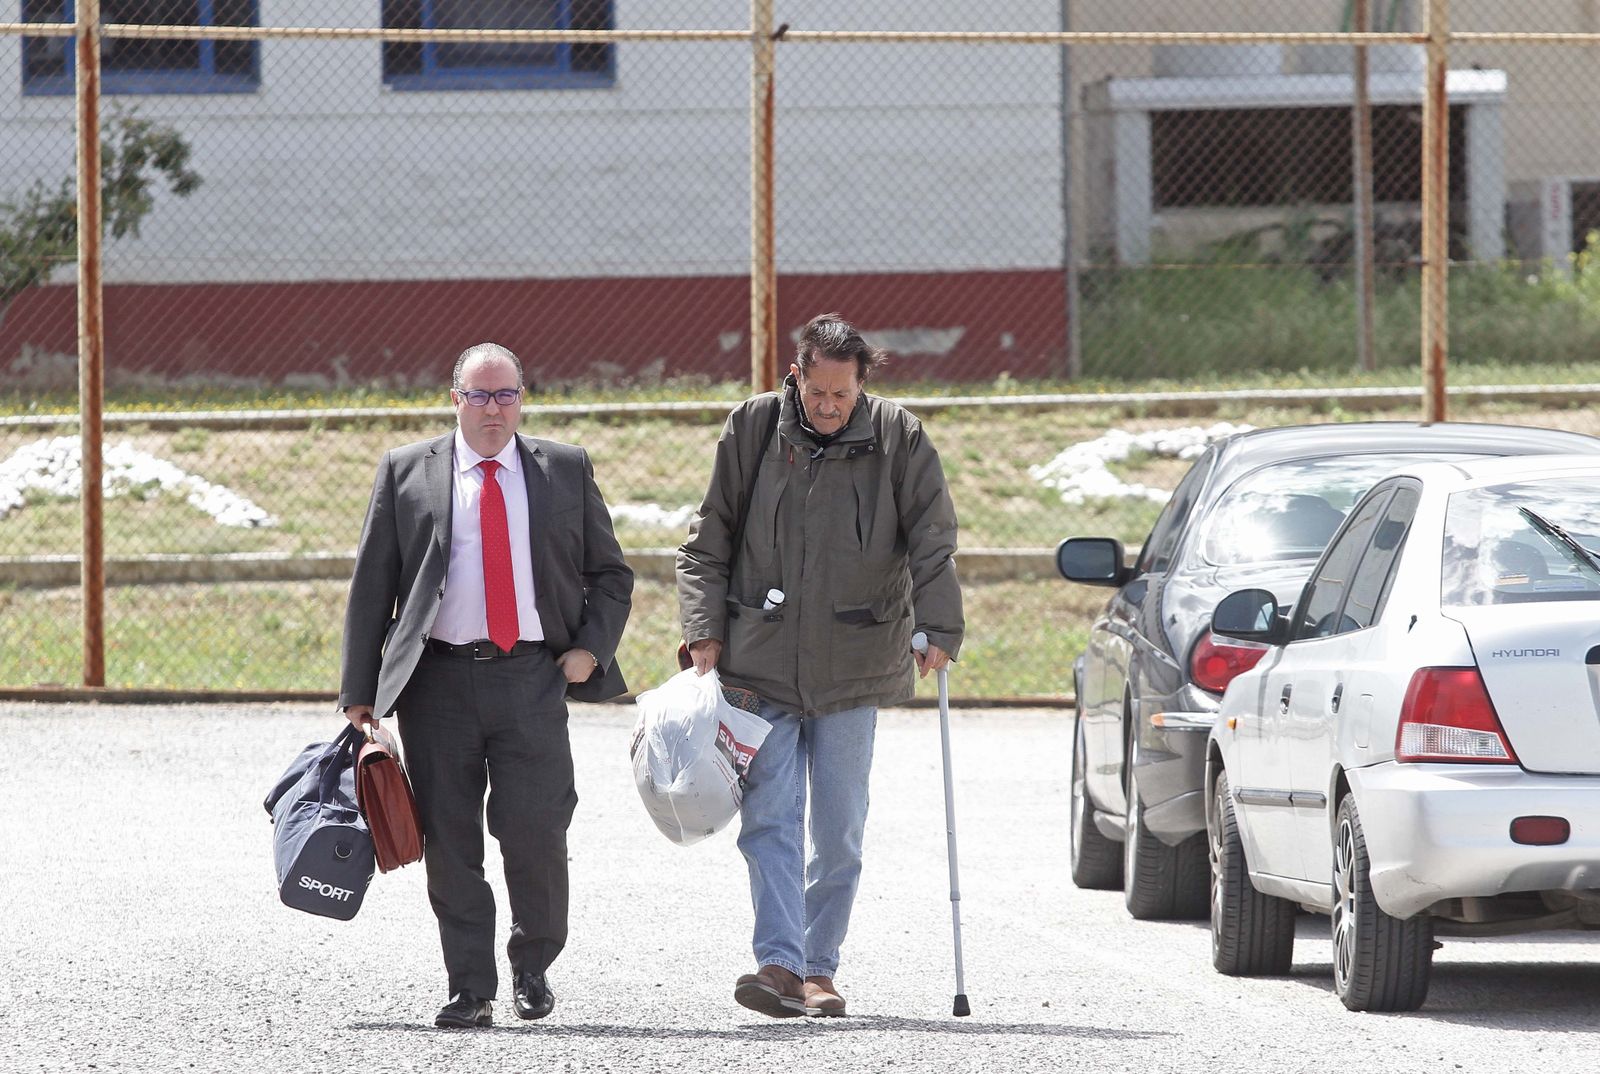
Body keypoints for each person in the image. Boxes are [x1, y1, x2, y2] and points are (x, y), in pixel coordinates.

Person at [677, 312, 965, 1018]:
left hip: (854, 662)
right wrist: (703, 633)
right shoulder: (752, 428)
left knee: (838, 831)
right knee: (771, 818)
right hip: (761, 661)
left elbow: (932, 540)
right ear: (797, 376)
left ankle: (818, 966)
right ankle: (778, 964)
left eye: (842, 395)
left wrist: (939, 625)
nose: (829, 408)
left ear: (862, 384)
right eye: (817, 393)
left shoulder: (899, 436)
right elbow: (706, 542)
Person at [338, 342, 633, 1029]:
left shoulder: (563, 468)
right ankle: (470, 987)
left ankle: (533, 963)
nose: (492, 409)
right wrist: (361, 691)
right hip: (436, 683)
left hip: (532, 677)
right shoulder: (407, 471)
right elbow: (370, 587)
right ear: (455, 400)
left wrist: (590, 649)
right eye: (479, 395)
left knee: (536, 829)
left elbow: (611, 575)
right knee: (449, 839)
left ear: (522, 398)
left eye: (505, 396)